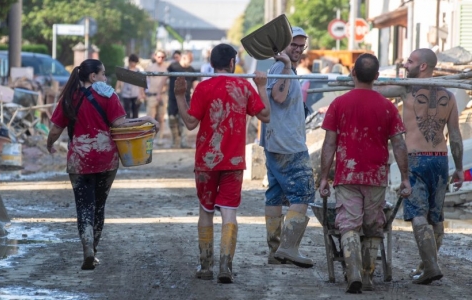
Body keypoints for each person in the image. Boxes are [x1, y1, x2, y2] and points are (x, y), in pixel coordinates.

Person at [46, 59, 159, 270]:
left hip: (79, 160)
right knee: (99, 205)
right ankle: (94, 249)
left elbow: (55, 130)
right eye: (103, 74)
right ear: (93, 77)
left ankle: (87, 247)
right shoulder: (109, 95)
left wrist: (49, 145)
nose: (106, 78)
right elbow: (121, 125)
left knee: (83, 205)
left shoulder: (69, 97)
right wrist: (146, 119)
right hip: (106, 160)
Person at [174, 43, 271, 283]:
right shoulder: (244, 86)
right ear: (232, 62)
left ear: (212, 63)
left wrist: (179, 96)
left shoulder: (203, 87)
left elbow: (189, 123)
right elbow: (266, 115)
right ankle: (226, 267)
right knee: (229, 213)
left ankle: (206, 266)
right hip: (234, 161)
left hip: (206, 162)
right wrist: (261, 86)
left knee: (206, 211)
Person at [318, 54, 412, 293]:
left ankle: (354, 274)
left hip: (347, 175)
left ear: (353, 74)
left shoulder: (339, 104)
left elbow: (329, 144)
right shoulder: (388, 106)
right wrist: (405, 178)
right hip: (375, 176)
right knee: (372, 226)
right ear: (377, 77)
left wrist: (323, 177)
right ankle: (368, 277)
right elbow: (399, 145)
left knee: (348, 225)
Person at [379, 48, 464, 285]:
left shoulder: (407, 89)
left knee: (418, 214)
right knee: (436, 217)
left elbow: (375, 90)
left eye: (410, 61)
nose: (405, 65)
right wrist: (458, 167)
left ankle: (431, 267)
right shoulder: (449, 95)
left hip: (415, 158)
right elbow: (455, 136)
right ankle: (428, 264)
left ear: (423, 66)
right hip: (439, 159)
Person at [261, 26, 316, 269]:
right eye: (293, 44)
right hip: (288, 145)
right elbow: (279, 98)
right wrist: (284, 67)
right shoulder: (280, 68)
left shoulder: (287, 68)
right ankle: (288, 248)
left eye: (301, 45)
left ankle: (275, 251)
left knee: (274, 194)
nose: (297, 49)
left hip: (275, 142)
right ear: (284, 44)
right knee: (303, 193)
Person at [167, 53, 198, 148]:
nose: (189, 63)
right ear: (184, 58)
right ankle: (175, 140)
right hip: (173, 98)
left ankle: (184, 142)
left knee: (184, 120)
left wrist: (195, 95)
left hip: (186, 98)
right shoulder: (173, 66)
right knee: (172, 119)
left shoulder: (191, 70)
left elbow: (195, 83)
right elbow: (164, 78)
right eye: (188, 60)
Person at [145, 50, 169, 140]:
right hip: (151, 95)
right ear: (155, 57)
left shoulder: (166, 69)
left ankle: (160, 137)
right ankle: (150, 138)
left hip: (162, 95)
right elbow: (143, 82)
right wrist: (142, 93)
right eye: (159, 57)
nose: (160, 59)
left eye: (162, 57)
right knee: (150, 118)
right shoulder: (149, 68)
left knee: (161, 118)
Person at [116, 54, 146, 118]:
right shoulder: (124, 70)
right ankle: (128, 125)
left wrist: (141, 94)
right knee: (127, 111)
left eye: (135, 62)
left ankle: (135, 126)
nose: (134, 64)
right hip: (126, 93)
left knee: (135, 111)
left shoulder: (138, 71)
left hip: (135, 93)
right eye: (133, 62)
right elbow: (119, 80)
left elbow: (141, 83)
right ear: (130, 61)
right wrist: (116, 89)